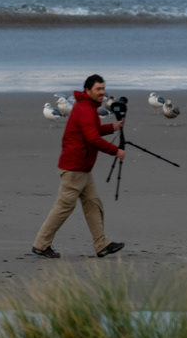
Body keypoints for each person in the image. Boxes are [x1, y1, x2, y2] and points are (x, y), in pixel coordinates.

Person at [32, 74, 125, 258]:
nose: (102, 92)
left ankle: (101, 244)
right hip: (74, 167)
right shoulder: (84, 109)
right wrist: (116, 151)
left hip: (82, 166)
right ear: (88, 90)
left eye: (103, 88)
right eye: (98, 89)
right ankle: (41, 244)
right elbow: (92, 138)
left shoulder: (88, 107)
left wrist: (111, 128)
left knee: (93, 204)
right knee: (64, 207)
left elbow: (91, 131)